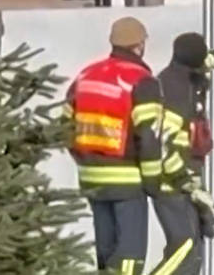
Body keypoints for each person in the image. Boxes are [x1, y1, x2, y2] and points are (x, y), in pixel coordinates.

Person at [64, 16, 163, 275]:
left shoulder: (85, 76)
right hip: (128, 181)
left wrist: (83, 158)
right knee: (130, 256)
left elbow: (64, 127)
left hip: (92, 179)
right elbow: (149, 136)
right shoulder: (141, 81)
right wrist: (153, 182)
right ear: (139, 45)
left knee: (106, 254)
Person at [149, 32, 214, 275]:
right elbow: (168, 147)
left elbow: (212, 60)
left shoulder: (184, 74)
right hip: (171, 182)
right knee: (185, 249)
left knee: (194, 253)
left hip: (185, 176)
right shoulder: (175, 92)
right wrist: (190, 186)